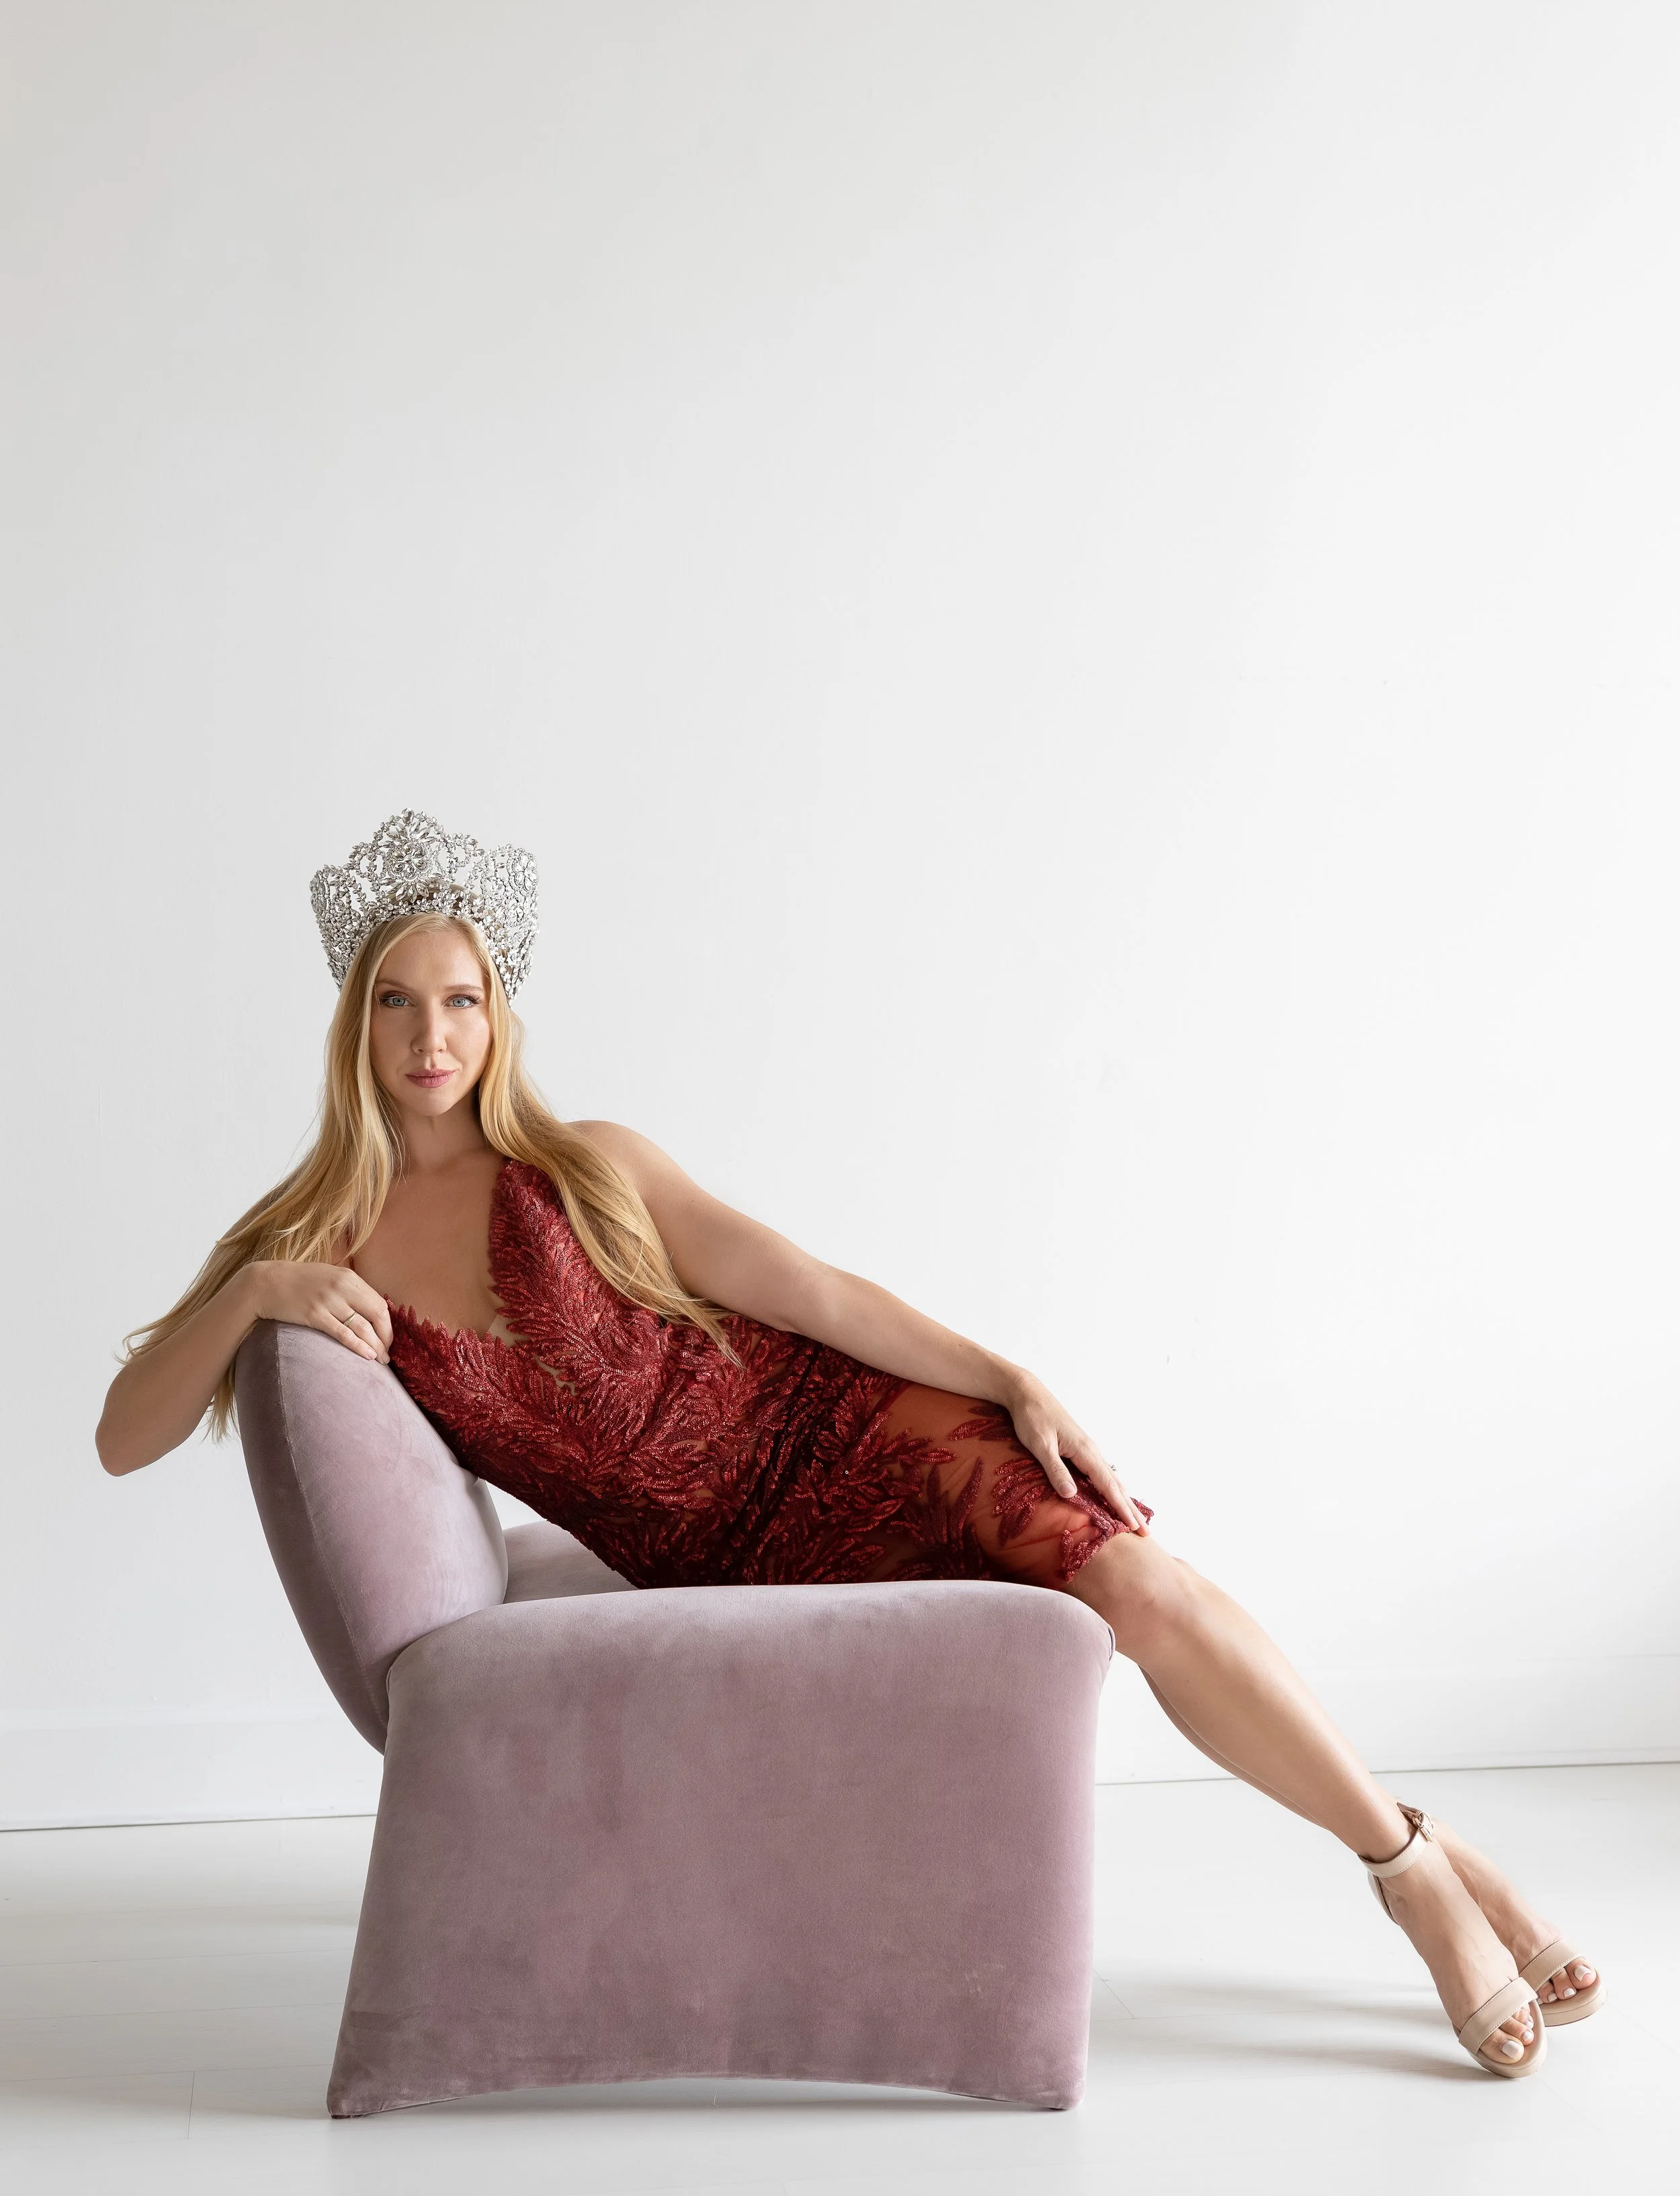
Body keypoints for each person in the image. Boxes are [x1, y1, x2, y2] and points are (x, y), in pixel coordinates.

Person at [98, 809, 1600, 2080]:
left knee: (1135, 1591)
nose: (432, 1036)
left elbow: (802, 1289)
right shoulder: (313, 1237)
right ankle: (1442, 1856)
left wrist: (1010, 1380)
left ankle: (1403, 1884)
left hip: (857, 1430)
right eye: (397, 1003)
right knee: (1126, 1596)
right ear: (351, 1022)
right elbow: (121, 1436)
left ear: (502, 1017)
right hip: (733, 1558)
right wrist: (255, 1289)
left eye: (462, 1001)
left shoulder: (585, 1166)